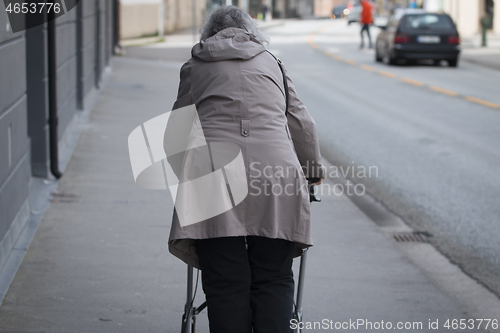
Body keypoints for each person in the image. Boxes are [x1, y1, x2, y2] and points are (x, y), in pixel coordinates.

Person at [163, 5, 325, 333]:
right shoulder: (273, 63)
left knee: (225, 281)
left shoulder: (195, 66)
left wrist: (184, 174)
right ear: (251, 31)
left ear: (208, 34)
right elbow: (300, 123)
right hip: (276, 175)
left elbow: (176, 133)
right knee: (274, 277)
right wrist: (311, 171)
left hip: (213, 174)